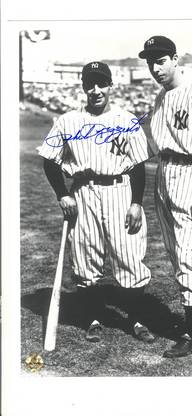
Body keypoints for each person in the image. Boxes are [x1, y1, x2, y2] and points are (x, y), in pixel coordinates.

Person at [38, 61, 155, 343]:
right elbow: (49, 159)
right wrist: (62, 194)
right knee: (86, 258)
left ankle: (137, 319)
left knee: (129, 256)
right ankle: (92, 318)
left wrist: (136, 203)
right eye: (90, 84)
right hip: (83, 192)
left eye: (101, 83)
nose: (96, 89)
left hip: (119, 190)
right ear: (83, 87)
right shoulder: (68, 120)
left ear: (110, 85)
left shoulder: (126, 119)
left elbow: (138, 165)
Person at [138, 36, 192, 358]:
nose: (155, 67)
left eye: (160, 60)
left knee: (189, 257)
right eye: (150, 62)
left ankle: (191, 332)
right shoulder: (161, 97)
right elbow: (157, 142)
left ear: (175, 59)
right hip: (165, 173)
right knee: (177, 257)